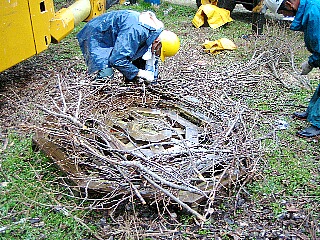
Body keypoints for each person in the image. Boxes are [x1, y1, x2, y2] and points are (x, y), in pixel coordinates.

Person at [77, 10, 180, 84]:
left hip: (117, 36)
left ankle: (130, 85)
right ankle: (98, 104)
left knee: (139, 67)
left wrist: (152, 80)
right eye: (158, 51)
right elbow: (117, 60)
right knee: (106, 75)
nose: (156, 54)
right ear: (158, 42)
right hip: (98, 35)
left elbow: (151, 62)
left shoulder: (155, 33)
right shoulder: (136, 31)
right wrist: (139, 72)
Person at [265, 0, 320, 137]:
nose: (283, 14)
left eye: (282, 11)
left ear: (289, 4)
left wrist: (311, 62)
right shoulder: (310, 7)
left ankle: (318, 123)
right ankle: (312, 112)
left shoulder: (313, 12)